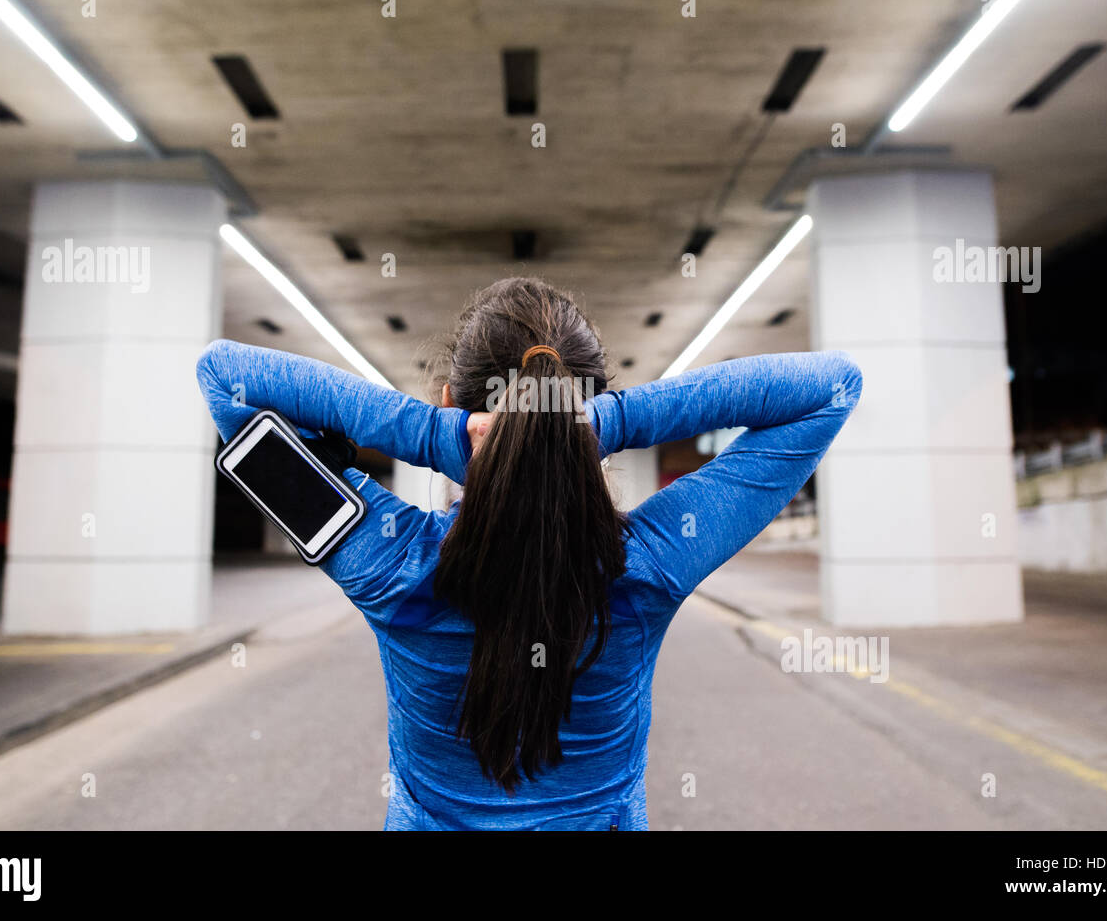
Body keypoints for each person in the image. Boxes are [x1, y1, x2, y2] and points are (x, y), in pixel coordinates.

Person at [196, 276, 862, 830]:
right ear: (590, 404)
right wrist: (605, 423)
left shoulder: (388, 563)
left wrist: (437, 435)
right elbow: (833, 387)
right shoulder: (650, 566)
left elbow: (226, 378)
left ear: (451, 403)